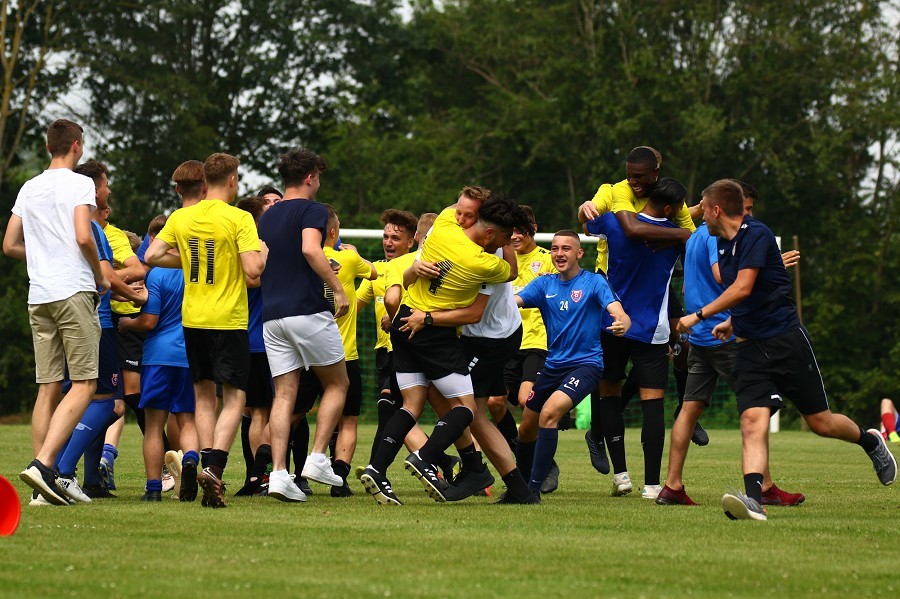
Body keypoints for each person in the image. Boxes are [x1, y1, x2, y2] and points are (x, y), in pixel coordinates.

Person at [676, 179, 897, 521]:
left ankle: (870, 443)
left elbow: (745, 287)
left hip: (786, 342)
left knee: (821, 422)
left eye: (703, 209)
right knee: (751, 419)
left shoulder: (758, 234)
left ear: (716, 210)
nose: (699, 216)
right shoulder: (721, 243)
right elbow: (747, 292)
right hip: (748, 348)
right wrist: (732, 323)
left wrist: (699, 316)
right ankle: (753, 500)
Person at [361, 192, 530, 505]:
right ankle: (449, 462)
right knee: (460, 407)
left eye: (469, 214)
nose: (462, 217)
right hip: (442, 329)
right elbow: (508, 273)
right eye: (462, 213)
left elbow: (473, 310)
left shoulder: (451, 233)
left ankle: (419, 462)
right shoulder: (483, 259)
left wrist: (420, 311)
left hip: (478, 334)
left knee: (447, 407)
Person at [657, 183, 804, 507]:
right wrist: (767, 263)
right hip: (723, 334)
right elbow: (727, 279)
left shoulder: (696, 235)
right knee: (758, 405)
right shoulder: (715, 237)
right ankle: (763, 488)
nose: (747, 217)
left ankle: (672, 486)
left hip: (700, 338)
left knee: (689, 408)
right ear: (723, 208)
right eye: (745, 209)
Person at [145, 152, 266, 509]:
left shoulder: (182, 217)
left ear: (203, 182)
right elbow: (254, 270)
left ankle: (201, 458)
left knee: (202, 398)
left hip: (192, 320)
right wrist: (263, 251)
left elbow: (151, 256)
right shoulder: (240, 218)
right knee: (235, 397)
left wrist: (187, 258)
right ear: (231, 180)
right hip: (227, 320)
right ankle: (214, 466)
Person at [3, 120, 110, 505]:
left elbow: (9, 244)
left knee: (48, 386)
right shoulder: (80, 184)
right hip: (73, 289)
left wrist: (46, 253)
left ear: (49, 147)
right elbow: (84, 235)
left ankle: (40, 490)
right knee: (84, 384)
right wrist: (99, 273)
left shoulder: (29, 187)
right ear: (76, 146)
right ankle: (45, 465)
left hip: (40, 295)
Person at [577, 147, 700, 474]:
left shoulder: (673, 202)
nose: (634, 182)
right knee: (609, 370)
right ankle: (599, 432)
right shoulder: (614, 190)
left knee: (685, 342)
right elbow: (622, 227)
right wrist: (583, 209)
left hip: (653, 285)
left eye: (640, 177)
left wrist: (683, 238)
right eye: (630, 175)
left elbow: (695, 238)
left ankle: (683, 411)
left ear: (656, 173)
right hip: (611, 283)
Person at [257, 148, 349, 503]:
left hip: (272, 316)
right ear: (310, 177)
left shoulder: (268, 215)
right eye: (319, 177)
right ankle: (318, 458)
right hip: (307, 311)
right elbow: (311, 250)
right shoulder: (314, 210)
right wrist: (337, 289)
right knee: (338, 383)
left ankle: (279, 474)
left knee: (283, 394)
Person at [513, 230, 630, 497]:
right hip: (553, 365)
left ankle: (532, 490)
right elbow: (513, 302)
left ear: (579, 253)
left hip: (587, 365)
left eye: (566, 248)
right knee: (527, 426)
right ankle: (519, 483)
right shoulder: (544, 285)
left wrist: (622, 322)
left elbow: (619, 311)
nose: (559, 253)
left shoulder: (593, 283)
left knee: (550, 412)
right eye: (554, 249)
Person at [292, 203, 376, 497]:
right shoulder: (349, 260)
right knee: (348, 419)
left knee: (292, 415)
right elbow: (375, 273)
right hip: (344, 353)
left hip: (307, 353)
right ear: (333, 232)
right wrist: (354, 254)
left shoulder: (300, 259)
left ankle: (278, 471)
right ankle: (339, 479)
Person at [119, 214, 199, 503]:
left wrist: (128, 323)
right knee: (188, 420)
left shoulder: (157, 274)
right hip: (190, 355)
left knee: (154, 426)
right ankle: (190, 459)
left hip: (158, 356)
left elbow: (149, 321)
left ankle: (153, 489)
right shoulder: (195, 272)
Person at [489, 206, 555, 455]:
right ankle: (519, 449)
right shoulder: (501, 259)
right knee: (495, 402)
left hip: (537, 341)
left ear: (534, 230)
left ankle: (541, 460)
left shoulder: (549, 259)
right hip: (506, 341)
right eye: (510, 231)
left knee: (526, 400)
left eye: (520, 231)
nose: (514, 236)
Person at [356, 209, 418, 468]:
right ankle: (440, 460)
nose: (388, 243)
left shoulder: (417, 266)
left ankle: (376, 466)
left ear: (411, 242)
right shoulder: (377, 271)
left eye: (395, 238)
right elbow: (353, 304)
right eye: (386, 237)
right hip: (385, 350)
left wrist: (395, 320)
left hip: (411, 347)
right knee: (390, 409)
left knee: (388, 406)